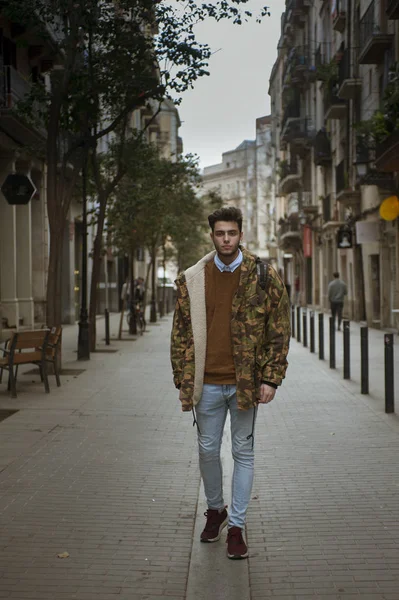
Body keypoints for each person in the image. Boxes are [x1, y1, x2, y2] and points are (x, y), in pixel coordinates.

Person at [170, 206, 291, 560]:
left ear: (241, 234)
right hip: (205, 383)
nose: (226, 239)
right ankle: (215, 510)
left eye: (232, 233)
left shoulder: (263, 275)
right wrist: (182, 377)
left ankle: (236, 526)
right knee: (207, 450)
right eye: (220, 233)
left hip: (245, 384)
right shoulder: (193, 277)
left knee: (243, 452)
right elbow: (180, 333)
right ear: (212, 235)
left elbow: (279, 330)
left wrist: (272, 377)